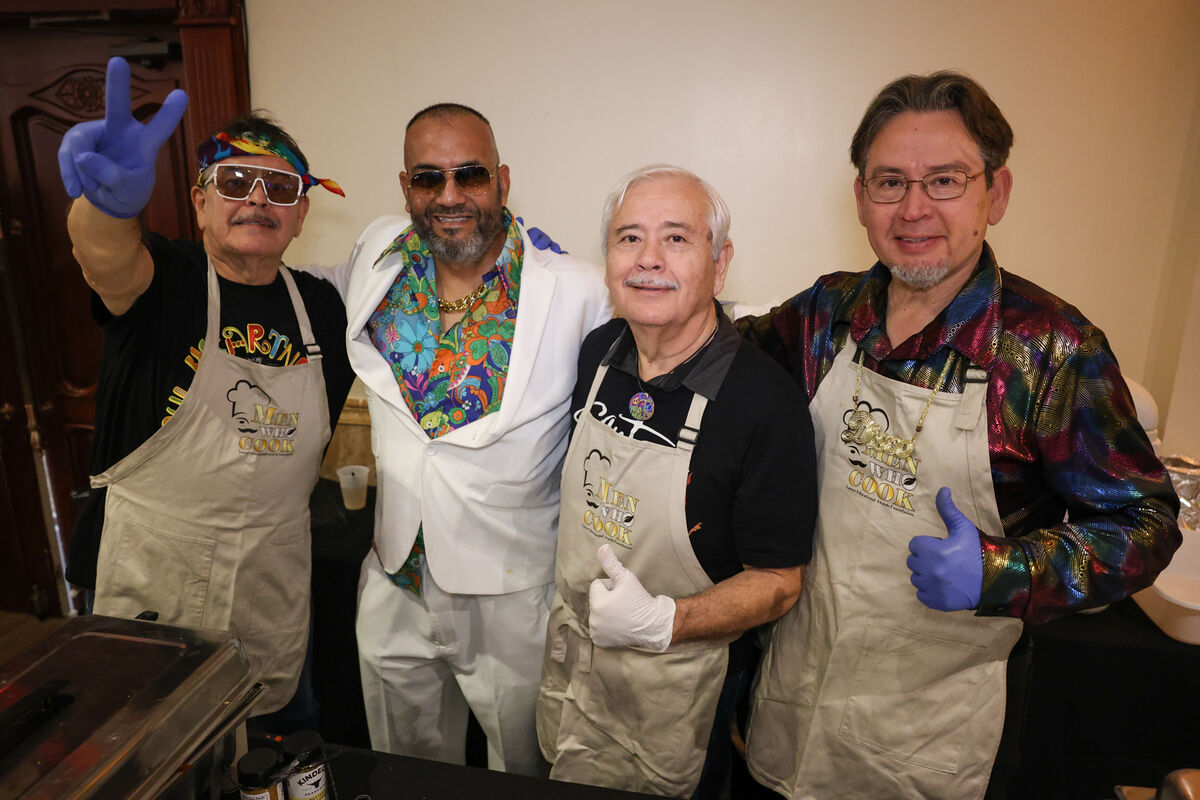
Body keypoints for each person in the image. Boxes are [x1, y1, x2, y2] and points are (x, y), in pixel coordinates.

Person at [740, 71, 1182, 799]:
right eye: (889, 182)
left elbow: (1145, 522)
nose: (914, 208)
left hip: (934, 736)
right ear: (861, 198)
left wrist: (1003, 571)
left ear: (995, 194)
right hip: (794, 697)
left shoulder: (1052, 351)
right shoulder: (827, 312)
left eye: (944, 180)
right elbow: (723, 362)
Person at [58, 57, 354, 727]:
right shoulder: (166, 276)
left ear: (302, 213)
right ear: (199, 202)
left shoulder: (322, 310)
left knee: (283, 760)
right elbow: (103, 259)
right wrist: (104, 208)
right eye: (235, 181)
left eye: (278, 186)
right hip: (153, 591)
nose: (256, 198)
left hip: (272, 600)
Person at [327, 103, 611, 775]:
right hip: (396, 573)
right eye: (429, 179)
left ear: (502, 182)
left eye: (470, 175)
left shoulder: (577, 292)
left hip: (511, 590)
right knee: (404, 768)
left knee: (525, 767)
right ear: (405, 189)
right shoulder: (377, 255)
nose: (449, 195)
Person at [536, 165, 817, 798]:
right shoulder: (599, 352)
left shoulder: (764, 403)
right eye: (628, 238)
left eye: (677, 239)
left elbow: (778, 583)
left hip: (680, 690)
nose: (648, 260)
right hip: (572, 665)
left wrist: (665, 621)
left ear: (720, 264)